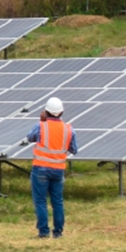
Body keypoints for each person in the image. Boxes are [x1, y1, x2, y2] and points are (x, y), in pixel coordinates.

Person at [26, 97, 77, 239]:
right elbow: (74, 149)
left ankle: (43, 232)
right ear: (61, 112)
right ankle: (58, 232)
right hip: (58, 170)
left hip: (40, 168)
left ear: (46, 111)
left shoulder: (41, 126)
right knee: (57, 201)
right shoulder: (68, 128)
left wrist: (42, 121)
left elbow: (30, 137)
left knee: (41, 201)